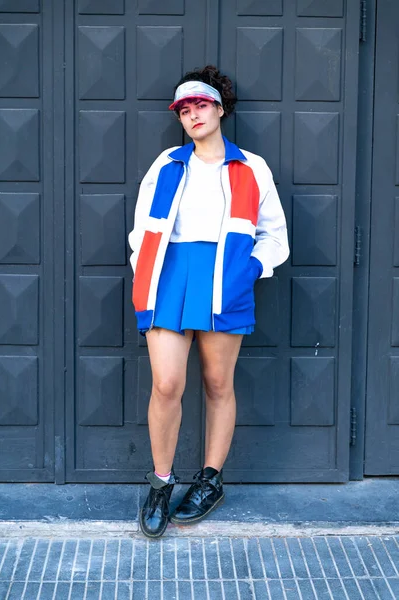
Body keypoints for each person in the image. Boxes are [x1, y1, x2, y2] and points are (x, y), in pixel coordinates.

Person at [128, 65, 289, 538]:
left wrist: (248, 271)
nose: (193, 114)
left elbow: (273, 236)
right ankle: (161, 482)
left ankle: (211, 480)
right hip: (169, 278)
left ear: (219, 107)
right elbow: (142, 230)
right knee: (167, 384)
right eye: (184, 109)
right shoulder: (166, 164)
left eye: (201, 104)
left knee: (218, 383)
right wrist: (147, 271)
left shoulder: (252, 167)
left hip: (224, 280)